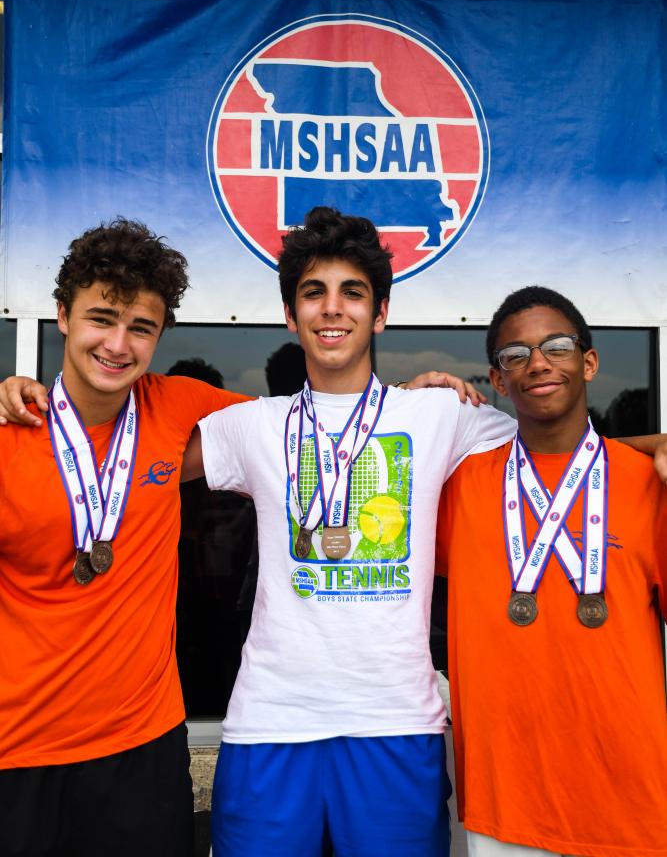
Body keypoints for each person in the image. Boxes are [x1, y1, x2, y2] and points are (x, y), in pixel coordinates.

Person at [182, 206, 519, 857]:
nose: (331, 309)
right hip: (271, 725)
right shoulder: (253, 424)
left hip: (394, 725)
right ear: (290, 316)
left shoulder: (437, 413)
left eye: (351, 293)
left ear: (380, 313)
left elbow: (569, 453)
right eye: (313, 292)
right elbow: (139, 461)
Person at [0, 219, 250, 857]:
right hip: (17, 749)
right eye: (101, 318)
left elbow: (317, 425)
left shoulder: (177, 404)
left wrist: (417, 398)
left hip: (142, 746)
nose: (118, 344)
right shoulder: (9, 431)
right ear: (61, 314)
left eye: (141, 327)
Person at [437, 286, 667, 857]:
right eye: (515, 355)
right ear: (498, 380)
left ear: (588, 361)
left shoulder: (648, 483)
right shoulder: (460, 488)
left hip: (631, 796)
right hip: (506, 803)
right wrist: (409, 399)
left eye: (556, 347)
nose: (536, 363)